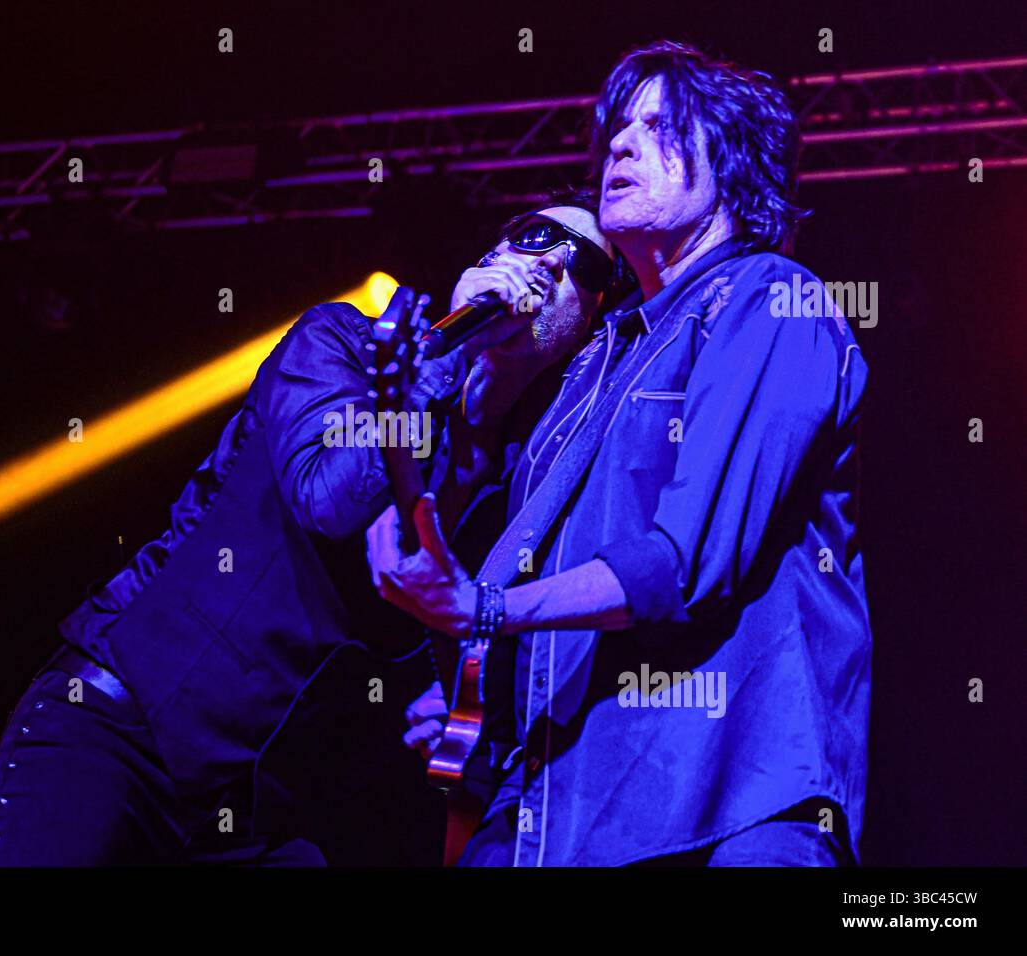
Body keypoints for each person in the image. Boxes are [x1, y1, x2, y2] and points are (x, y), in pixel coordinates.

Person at [0, 194, 623, 865]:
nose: (550, 261)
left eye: (587, 265)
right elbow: (327, 499)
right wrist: (444, 359)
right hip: (118, 733)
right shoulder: (341, 342)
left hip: (250, 808)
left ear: (592, 318)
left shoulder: (520, 487)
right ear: (490, 259)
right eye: (537, 235)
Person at [372, 40, 871, 867]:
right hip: (556, 814)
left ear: (732, 165)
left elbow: (680, 561)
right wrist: (479, 681)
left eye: (661, 125)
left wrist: (487, 611)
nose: (622, 146)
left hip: (724, 806)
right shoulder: (593, 367)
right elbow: (533, 569)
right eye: (617, 130)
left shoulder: (768, 299)